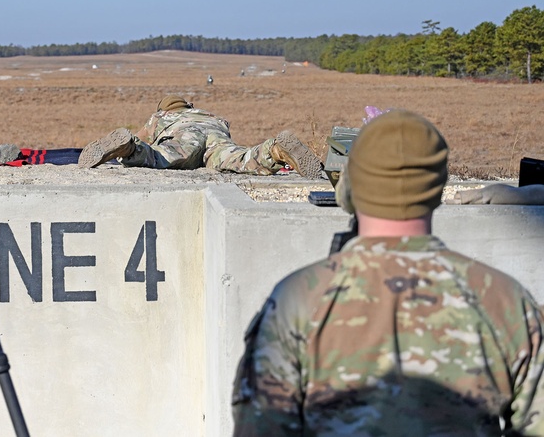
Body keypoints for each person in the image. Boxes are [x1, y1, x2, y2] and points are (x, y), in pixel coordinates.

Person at [232, 110, 544, 436]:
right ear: (437, 188)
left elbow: (259, 426)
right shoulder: (505, 301)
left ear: (350, 189)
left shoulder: (295, 301)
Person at [77, 95, 324, 179]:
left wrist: (133, 144)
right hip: (216, 137)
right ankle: (274, 150)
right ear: (188, 105)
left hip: (185, 137)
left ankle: (127, 150)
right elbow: (224, 137)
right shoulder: (211, 116)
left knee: (161, 157)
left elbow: (143, 138)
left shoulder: (161, 116)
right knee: (238, 159)